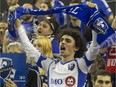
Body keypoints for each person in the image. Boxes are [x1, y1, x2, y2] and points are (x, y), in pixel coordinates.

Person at [14, 9, 98, 86]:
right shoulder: (50, 65)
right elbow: (28, 47)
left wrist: (94, 17)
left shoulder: (81, 64)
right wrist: (18, 26)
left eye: (68, 41)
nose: (63, 42)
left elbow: (94, 46)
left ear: (76, 47)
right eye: (62, 40)